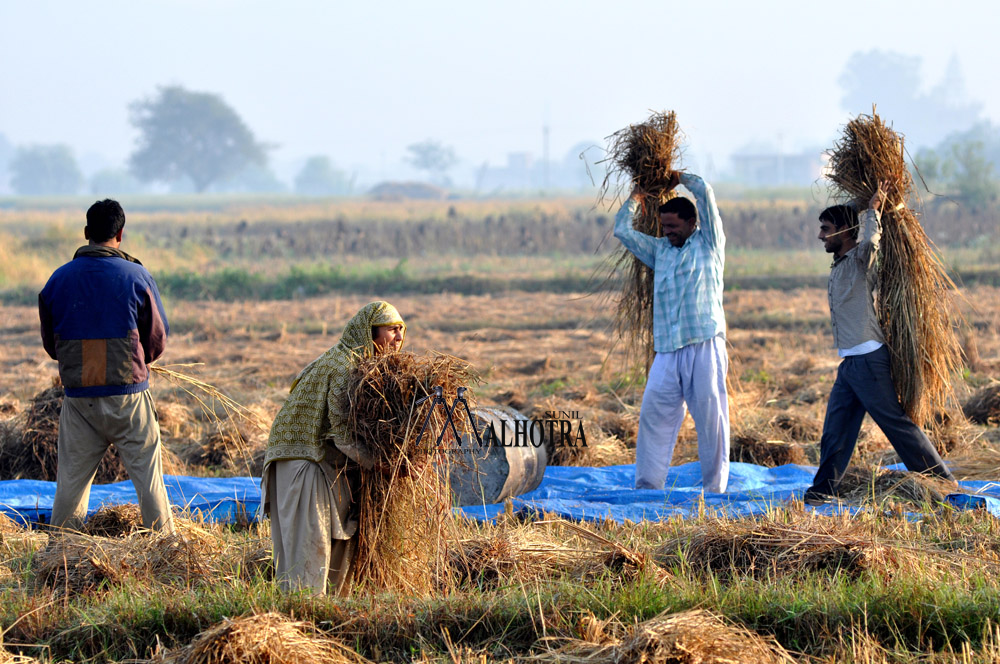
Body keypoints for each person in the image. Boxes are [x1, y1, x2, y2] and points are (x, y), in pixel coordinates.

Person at [804, 183, 956, 505]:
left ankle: (943, 484)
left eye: (826, 229)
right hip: (850, 364)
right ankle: (822, 491)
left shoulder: (861, 260)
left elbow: (872, 241)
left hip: (869, 360)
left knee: (895, 424)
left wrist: (872, 212)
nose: (820, 236)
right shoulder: (841, 266)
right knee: (836, 430)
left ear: (845, 231)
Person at [39, 199, 174, 533]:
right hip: (128, 398)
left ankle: (63, 553)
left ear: (86, 233)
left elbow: (52, 347)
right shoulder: (137, 275)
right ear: (121, 234)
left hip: (79, 400)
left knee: (70, 485)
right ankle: (165, 550)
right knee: (149, 480)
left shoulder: (58, 281)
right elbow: (156, 340)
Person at [261, 300, 405, 595]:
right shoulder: (344, 367)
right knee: (308, 558)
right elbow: (342, 436)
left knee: (336, 556)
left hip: (327, 463)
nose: (399, 338)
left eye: (402, 330)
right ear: (369, 332)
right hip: (303, 461)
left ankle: (327, 620)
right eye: (392, 330)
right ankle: (300, 624)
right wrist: (384, 465)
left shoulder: (358, 366)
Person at [614, 172, 730, 493]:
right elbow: (621, 230)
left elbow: (705, 192)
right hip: (667, 349)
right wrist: (636, 198)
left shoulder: (710, 243)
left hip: (703, 343)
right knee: (653, 413)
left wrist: (677, 177)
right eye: (664, 227)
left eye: (674, 227)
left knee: (711, 419)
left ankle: (715, 490)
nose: (668, 233)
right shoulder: (659, 250)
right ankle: (648, 488)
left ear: (692, 222)